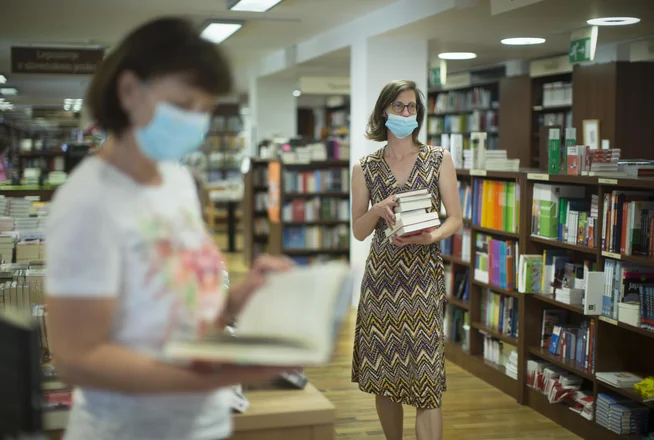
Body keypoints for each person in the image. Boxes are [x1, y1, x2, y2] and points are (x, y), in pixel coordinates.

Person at [44, 17, 293, 440]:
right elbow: (76, 359)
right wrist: (203, 377)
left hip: (201, 423)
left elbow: (180, 305)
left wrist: (234, 303)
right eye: (182, 104)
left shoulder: (175, 180)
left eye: (204, 109)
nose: (195, 121)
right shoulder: (87, 201)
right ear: (127, 91)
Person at [350, 79, 462, 440]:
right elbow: (358, 230)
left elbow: (455, 219)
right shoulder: (365, 167)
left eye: (412, 107)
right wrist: (378, 210)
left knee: (427, 380)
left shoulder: (438, 159)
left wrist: (431, 236)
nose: (406, 113)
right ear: (384, 111)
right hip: (381, 284)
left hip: (423, 280)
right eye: (398, 106)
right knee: (386, 378)